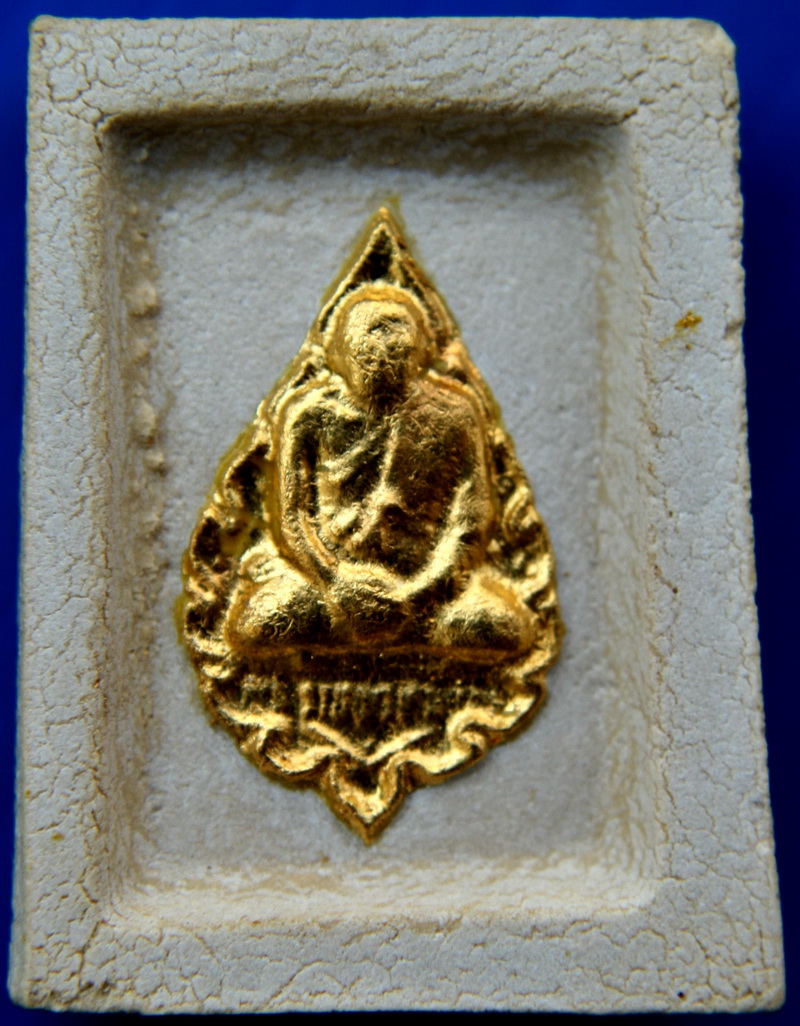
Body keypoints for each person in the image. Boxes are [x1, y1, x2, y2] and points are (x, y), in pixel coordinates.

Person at [224, 282, 538, 659]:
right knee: (257, 624)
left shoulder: (455, 415)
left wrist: (418, 593)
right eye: (367, 353)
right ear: (341, 353)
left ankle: (384, 637)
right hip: (331, 586)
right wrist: (336, 582)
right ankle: (390, 641)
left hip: (427, 592)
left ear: (419, 354)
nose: (383, 361)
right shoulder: (308, 415)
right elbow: (292, 520)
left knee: (504, 627)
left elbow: (470, 521)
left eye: (398, 351)